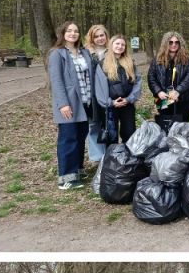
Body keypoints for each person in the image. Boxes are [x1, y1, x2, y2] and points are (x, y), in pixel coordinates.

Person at [48, 22, 93, 189]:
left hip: (85, 101)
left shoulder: (84, 52)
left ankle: (77, 170)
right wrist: (63, 104)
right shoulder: (57, 54)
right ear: (63, 33)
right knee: (68, 138)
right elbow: (56, 80)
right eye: (69, 31)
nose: (73, 34)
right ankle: (66, 177)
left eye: (76, 31)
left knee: (80, 137)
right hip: (69, 103)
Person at [94, 34, 141, 143]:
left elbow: (137, 82)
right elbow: (99, 87)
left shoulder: (130, 63)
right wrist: (110, 102)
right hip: (110, 106)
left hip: (127, 104)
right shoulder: (102, 64)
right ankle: (112, 154)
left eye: (123, 45)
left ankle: (128, 153)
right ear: (111, 45)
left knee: (129, 134)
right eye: (117, 44)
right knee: (111, 136)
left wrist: (129, 99)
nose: (120, 46)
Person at [148, 31, 189, 129]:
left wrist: (178, 91)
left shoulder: (187, 58)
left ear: (180, 43)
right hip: (163, 98)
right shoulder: (157, 59)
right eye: (170, 42)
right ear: (166, 43)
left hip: (183, 99)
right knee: (165, 125)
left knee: (181, 127)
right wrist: (158, 92)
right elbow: (151, 77)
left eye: (176, 42)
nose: (174, 45)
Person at [84, 24, 109, 163]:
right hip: (91, 95)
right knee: (93, 125)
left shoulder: (112, 51)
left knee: (108, 125)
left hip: (108, 94)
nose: (100, 38)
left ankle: (109, 155)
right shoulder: (86, 54)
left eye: (102, 35)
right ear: (92, 38)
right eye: (96, 36)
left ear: (106, 36)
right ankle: (98, 158)